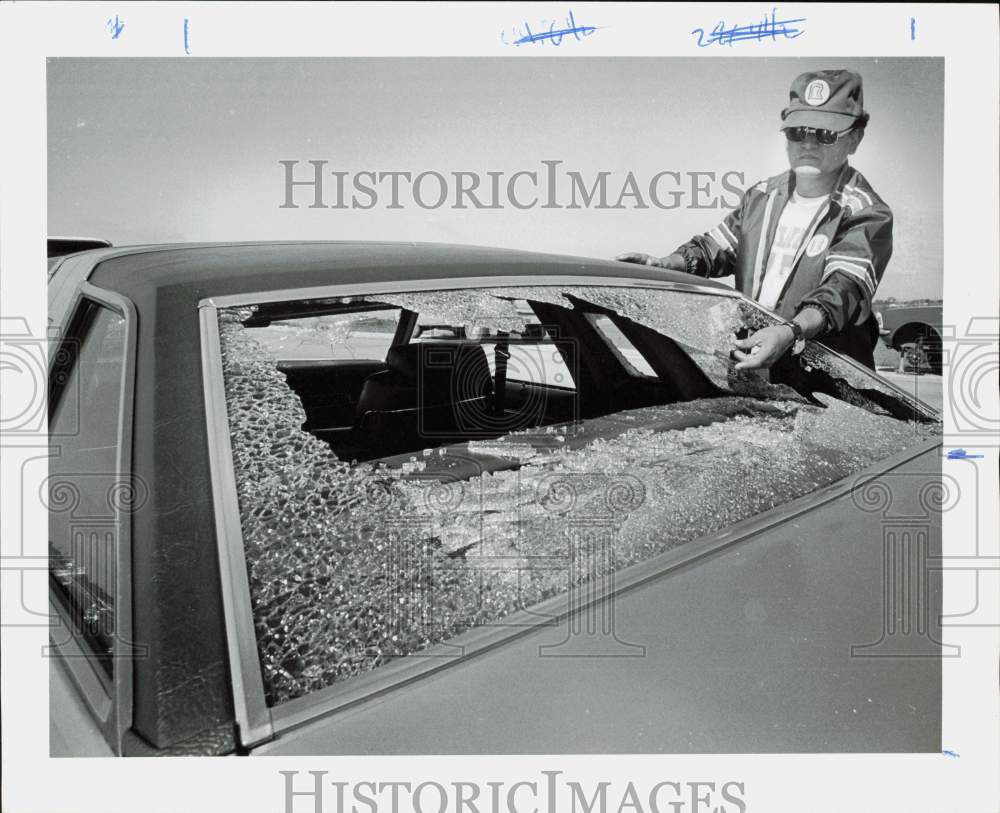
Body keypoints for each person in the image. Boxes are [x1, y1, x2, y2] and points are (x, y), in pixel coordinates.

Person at [617, 69, 892, 371]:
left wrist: (791, 332)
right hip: (752, 368)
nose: (808, 144)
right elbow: (711, 250)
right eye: (797, 132)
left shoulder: (865, 212)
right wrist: (665, 264)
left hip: (825, 385)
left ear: (855, 138)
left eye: (826, 134)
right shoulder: (760, 196)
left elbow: (843, 291)